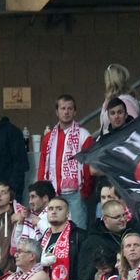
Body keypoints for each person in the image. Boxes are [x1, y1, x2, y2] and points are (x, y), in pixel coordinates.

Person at [37, 94, 93, 231]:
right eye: (63, 108)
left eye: (70, 108)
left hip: (76, 194)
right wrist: (41, 190)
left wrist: (85, 191)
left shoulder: (84, 135)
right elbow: (43, 163)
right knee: (54, 230)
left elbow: (88, 164)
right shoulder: (48, 138)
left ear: (75, 111)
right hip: (53, 193)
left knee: (78, 230)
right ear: (57, 112)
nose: (66, 112)